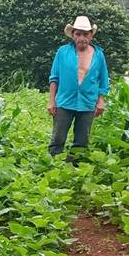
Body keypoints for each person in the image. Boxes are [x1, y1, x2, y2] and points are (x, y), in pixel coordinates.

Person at [47, 15, 109, 160]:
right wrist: (51, 101)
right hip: (64, 101)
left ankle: (75, 168)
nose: (82, 38)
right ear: (73, 35)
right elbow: (54, 78)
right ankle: (53, 165)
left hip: (88, 103)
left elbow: (103, 80)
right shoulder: (63, 52)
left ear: (91, 35)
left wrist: (101, 100)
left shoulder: (99, 55)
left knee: (82, 140)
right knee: (58, 137)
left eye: (85, 34)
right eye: (78, 34)